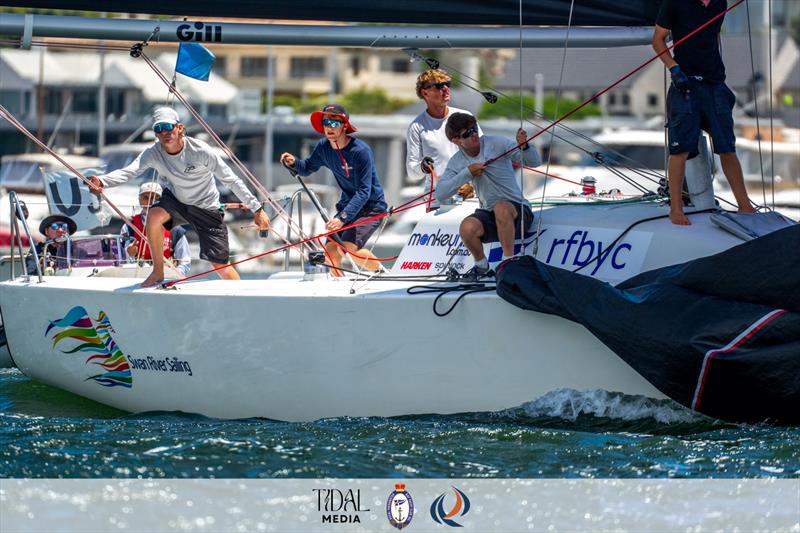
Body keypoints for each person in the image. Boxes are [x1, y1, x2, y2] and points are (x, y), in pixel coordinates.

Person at [88, 107, 269, 287]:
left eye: (168, 127)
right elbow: (130, 171)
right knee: (153, 216)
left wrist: (257, 209)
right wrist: (102, 182)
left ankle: (240, 292)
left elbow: (231, 180)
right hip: (176, 201)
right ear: (156, 134)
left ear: (180, 128)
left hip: (206, 207)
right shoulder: (154, 153)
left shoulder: (200, 151)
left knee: (220, 266)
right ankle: (158, 272)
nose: (164, 132)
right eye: (158, 129)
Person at [653, 0, 756, 225]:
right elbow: (657, 40)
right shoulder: (674, 3)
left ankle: (745, 205)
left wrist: (718, 74)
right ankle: (676, 210)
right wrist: (674, 68)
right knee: (680, 149)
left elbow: (713, 36)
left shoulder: (720, 3)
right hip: (685, 84)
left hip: (714, 83)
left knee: (727, 147)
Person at [280, 104, 388, 274]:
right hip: (348, 205)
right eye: (326, 122)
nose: (329, 127)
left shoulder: (361, 151)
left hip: (371, 207)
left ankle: (382, 273)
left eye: (335, 123)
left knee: (348, 250)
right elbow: (306, 167)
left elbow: (364, 191)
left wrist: (342, 218)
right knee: (330, 252)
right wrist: (294, 162)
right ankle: (338, 286)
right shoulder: (323, 147)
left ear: (345, 126)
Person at [436, 113, 541, 279]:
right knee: (467, 227)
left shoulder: (497, 143)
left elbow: (534, 162)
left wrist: (525, 147)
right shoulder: (457, 161)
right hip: (490, 213)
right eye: (467, 134)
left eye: (474, 129)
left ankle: (509, 264)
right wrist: (467, 173)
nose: (474, 134)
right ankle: (482, 266)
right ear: (456, 141)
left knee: (501, 207)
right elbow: (441, 193)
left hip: (519, 212)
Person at [406, 68, 475, 206]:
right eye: (438, 86)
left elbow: (483, 152)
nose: (445, 89)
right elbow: (412, 172)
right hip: (438, 198)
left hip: (470, 194)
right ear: (425, 93)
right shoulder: (416, 127)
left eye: (447, 84)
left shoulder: (465, 117)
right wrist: (423, 168)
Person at [121, 182, 191, 277]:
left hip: (166, 277)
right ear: (139, 200)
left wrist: (175, 275)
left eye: (156, 198)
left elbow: (185, 261)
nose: (150, 201)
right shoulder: (129, 227)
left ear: (162, 200)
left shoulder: (175, 228)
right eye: (145, 197)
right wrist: (129, 253)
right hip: (137, 276)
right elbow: (121, 258)